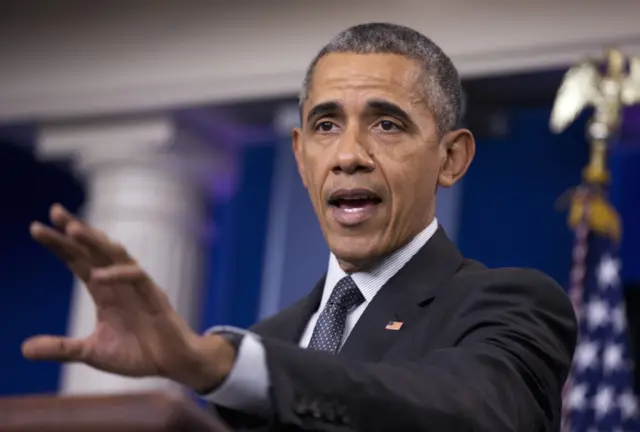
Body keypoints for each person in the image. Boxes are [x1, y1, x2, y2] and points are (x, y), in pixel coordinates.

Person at [22, 23, 577, 431]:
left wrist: (220, 363)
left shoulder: (511, 304)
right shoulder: (270, 340)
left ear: (450, 159)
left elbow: (472, 410)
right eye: (326, 125)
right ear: (300, 155)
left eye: (386, 124)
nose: (348, 154)